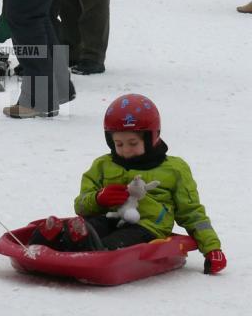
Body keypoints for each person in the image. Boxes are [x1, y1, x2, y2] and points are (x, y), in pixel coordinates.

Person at [28, 93, 227, 275]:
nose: (125, 150)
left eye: (133, 143)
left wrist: (212, 248)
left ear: (152, 138)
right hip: (109, 217)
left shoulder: (174, 169)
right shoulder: (103, 165)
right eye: (119, 144)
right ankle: (49, 236)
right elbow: (80, 205)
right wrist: (98, 199)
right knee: (88, 225)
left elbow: (192, 213)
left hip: (147, 228)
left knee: (115, 243)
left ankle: (88, 249)